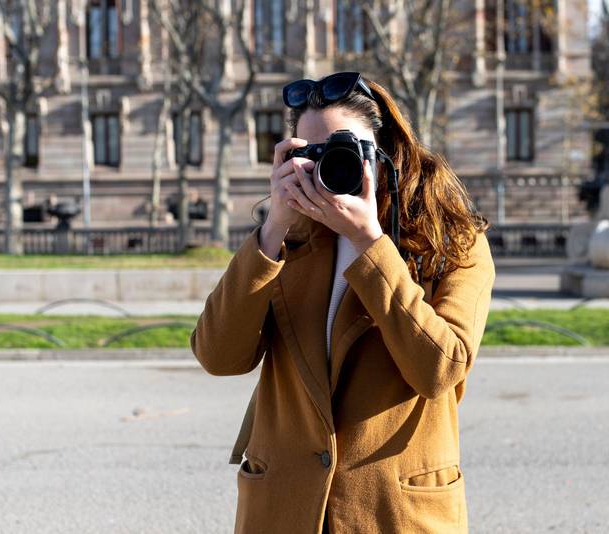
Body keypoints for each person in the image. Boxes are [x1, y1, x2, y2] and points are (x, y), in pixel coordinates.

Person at [190, 72, 495, 534]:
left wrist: (369, 241)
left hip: (395, 513)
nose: (330, 164)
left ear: (387, 153)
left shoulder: (451, 243)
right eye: (310, 154)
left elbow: (440, 370)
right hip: (283, 509)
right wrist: (272, 228)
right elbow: (218, 356)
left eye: (346, 148)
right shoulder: (286, 243)